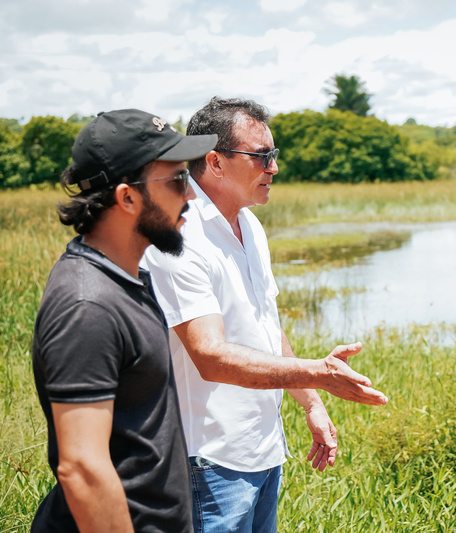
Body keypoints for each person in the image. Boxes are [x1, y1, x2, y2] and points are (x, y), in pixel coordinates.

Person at [142, 96, 388, 533]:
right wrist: (317, 373)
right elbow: (209, 356)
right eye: (261, 156)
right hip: (208, 458)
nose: (274, 167)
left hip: (262, 448)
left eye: (273, 154)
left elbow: (265, 325)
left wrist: (311, 402)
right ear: (215, 162)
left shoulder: (250, 224)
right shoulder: (178, 234)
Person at [31, 109, 218, 532]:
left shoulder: (129, 280)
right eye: (177, 180)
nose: (190, 195)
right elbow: (82, 469)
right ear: (127, 198)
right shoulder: (87, 305)